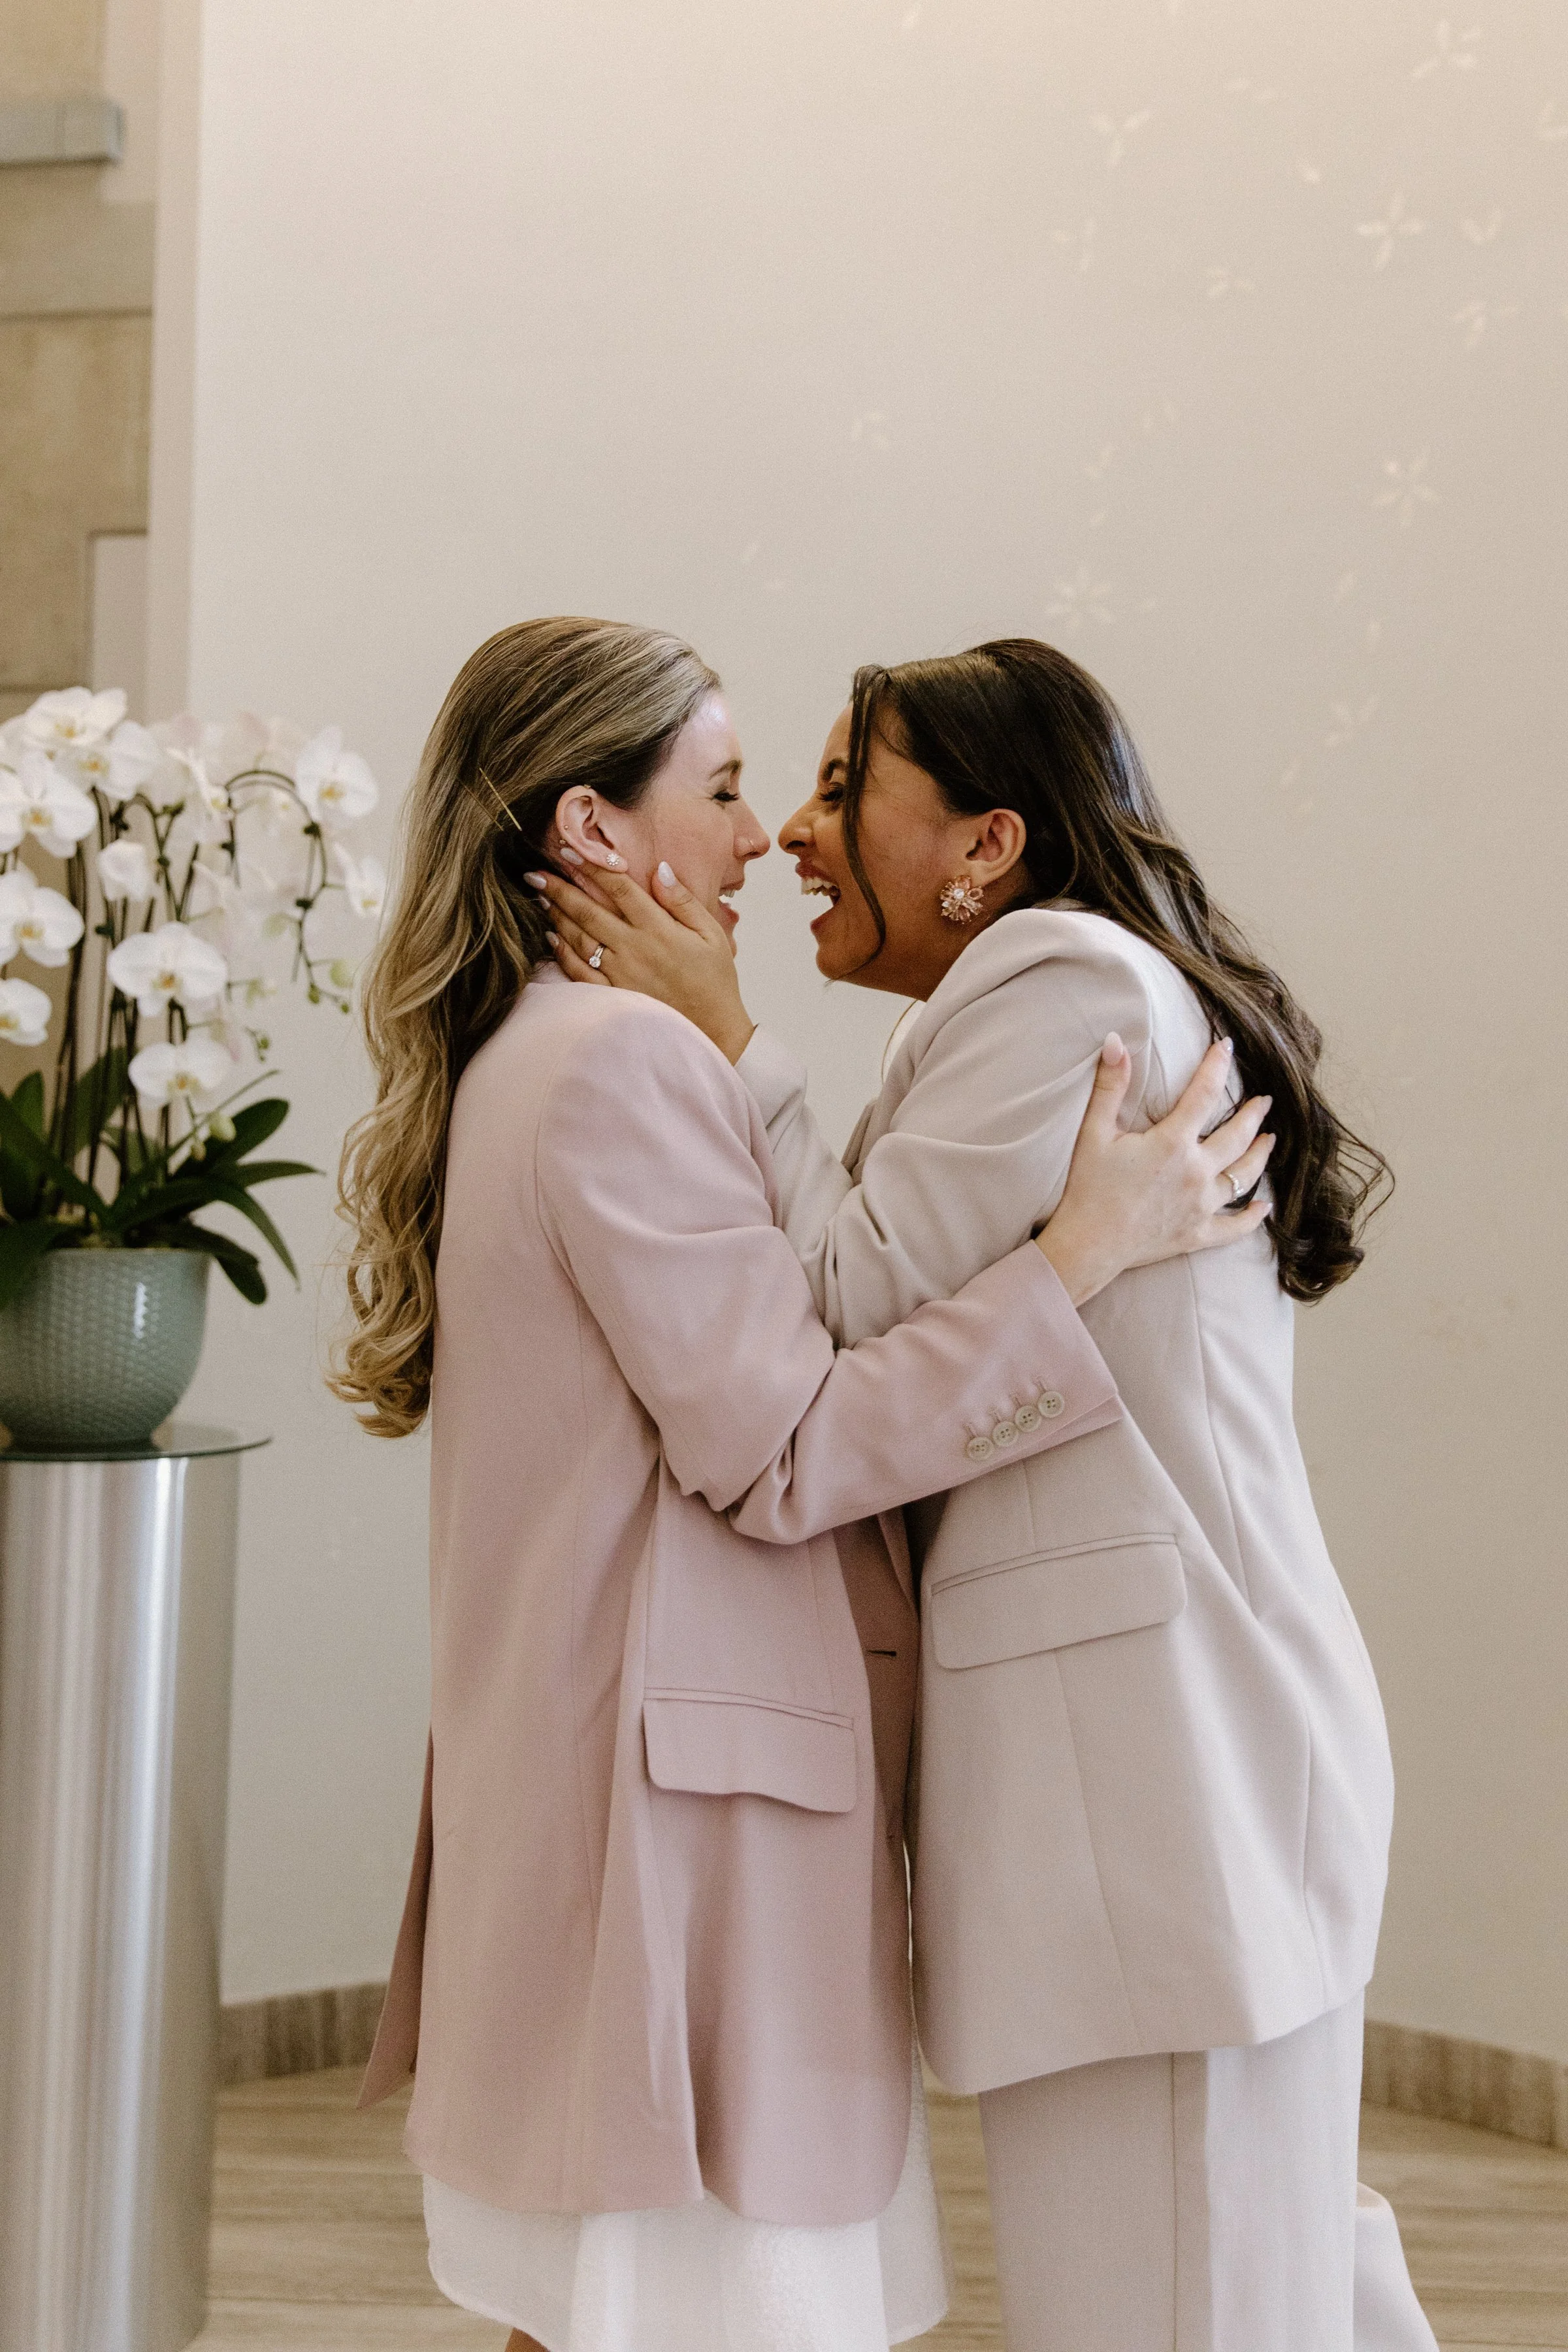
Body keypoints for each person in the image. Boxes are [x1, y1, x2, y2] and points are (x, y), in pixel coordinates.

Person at [330, 618, 1271, 2352]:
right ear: (595, 832)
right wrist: (1078, 1256)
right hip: (685, 1841)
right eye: (731, 788)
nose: (763, 836)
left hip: (628, 1806)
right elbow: (783, 1454)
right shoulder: (619, 1065)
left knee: (594, 2315)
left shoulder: (531, 1054)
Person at [535, 636, 1440, 2351]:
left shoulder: (1059, 980)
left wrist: (725, 1034)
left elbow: (831, 1309)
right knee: (1262, 2273)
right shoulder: (1035, 999)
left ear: (984, 848)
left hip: (1165, 1788)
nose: (792, 835)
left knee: (1182, 2304)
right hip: (1174, 1784)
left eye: (833, 788)